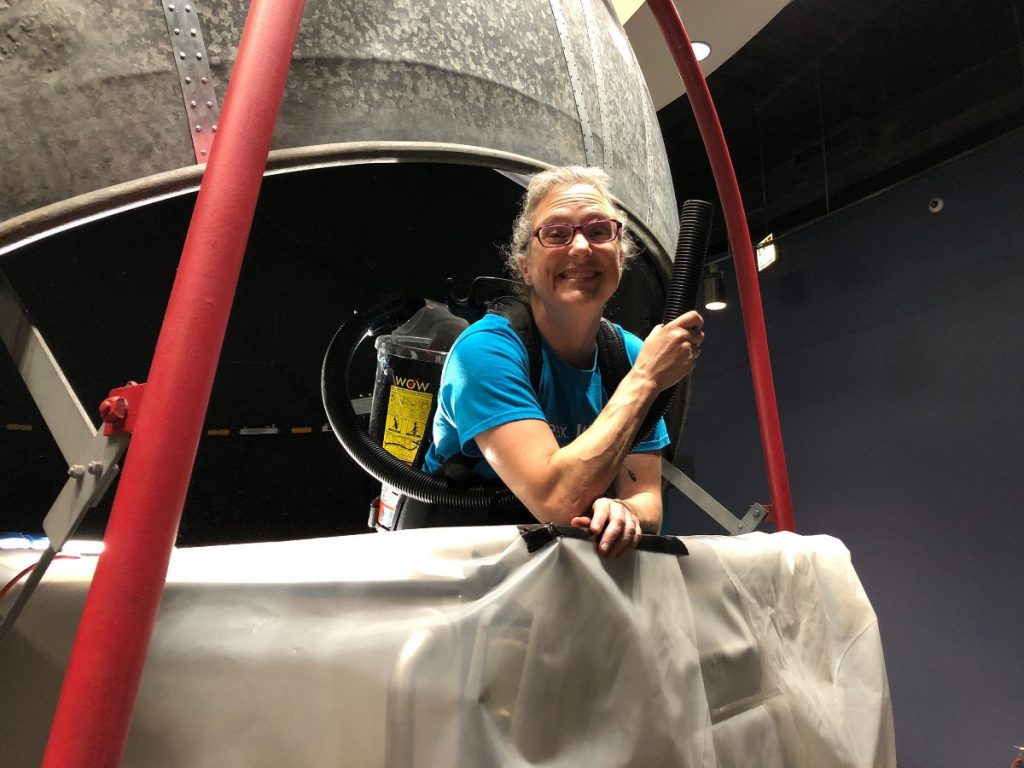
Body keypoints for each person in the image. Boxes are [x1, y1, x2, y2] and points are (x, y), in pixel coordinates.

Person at [421, 166, 704, 557]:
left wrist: (624, 511)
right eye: (556, 233)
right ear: (525, 266)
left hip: (562, 570)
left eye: (599, 230)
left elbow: (645, 494)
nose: (582, 247)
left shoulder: (629, 356)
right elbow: (556, 502)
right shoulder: (485, 351)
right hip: (465, 572)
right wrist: (647, 379)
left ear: (620, 256)